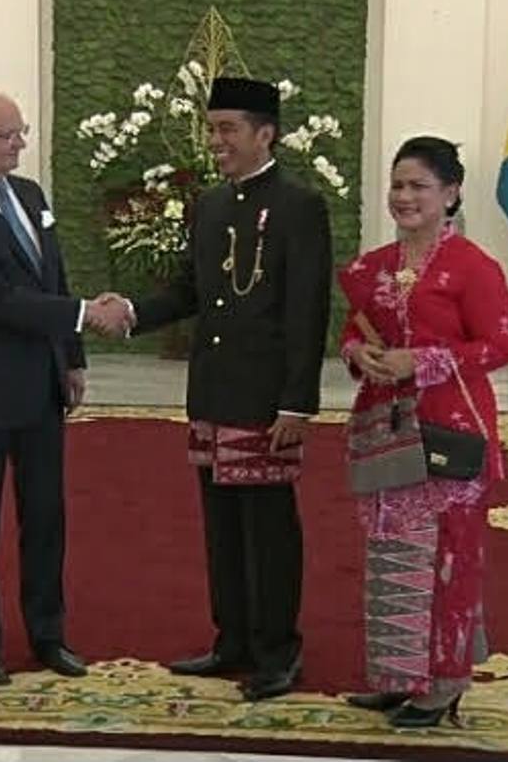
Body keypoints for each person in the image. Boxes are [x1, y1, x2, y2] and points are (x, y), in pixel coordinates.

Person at [99, 77, 333, 701]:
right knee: (221, 525)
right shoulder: (209, 205)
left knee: (270, 529)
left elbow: (308, 311)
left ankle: (279, 651)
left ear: (266, 133)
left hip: (266, 399)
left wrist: (297, 402)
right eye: (212, 129)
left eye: (228, 129)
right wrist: (132, 312)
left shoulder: (299, 206)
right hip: (212, 392)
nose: (216, 141)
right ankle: (232, 641)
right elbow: (187, 292)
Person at [0, 87, 126, 686]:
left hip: (39, 387)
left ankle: (48, 633)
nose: (20, 144)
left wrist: (74, 357)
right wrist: (86, 314)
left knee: (46, 517)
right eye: (9, 135)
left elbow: (52, 276)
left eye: (21, 132)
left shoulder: (30, 196)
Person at [339, 136, 508, 727]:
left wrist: (425, 361)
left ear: (451, 193)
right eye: (398, 185)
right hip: (386, 432)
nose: (405, 197)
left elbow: (500, 345)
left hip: (453, 433)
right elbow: (352, 333)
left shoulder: (474, 267)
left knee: (449, 559)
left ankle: (445, 683)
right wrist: (359, 354)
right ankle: (398, 676)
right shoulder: (371, 268)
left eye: (419, 186)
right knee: (392, 553)